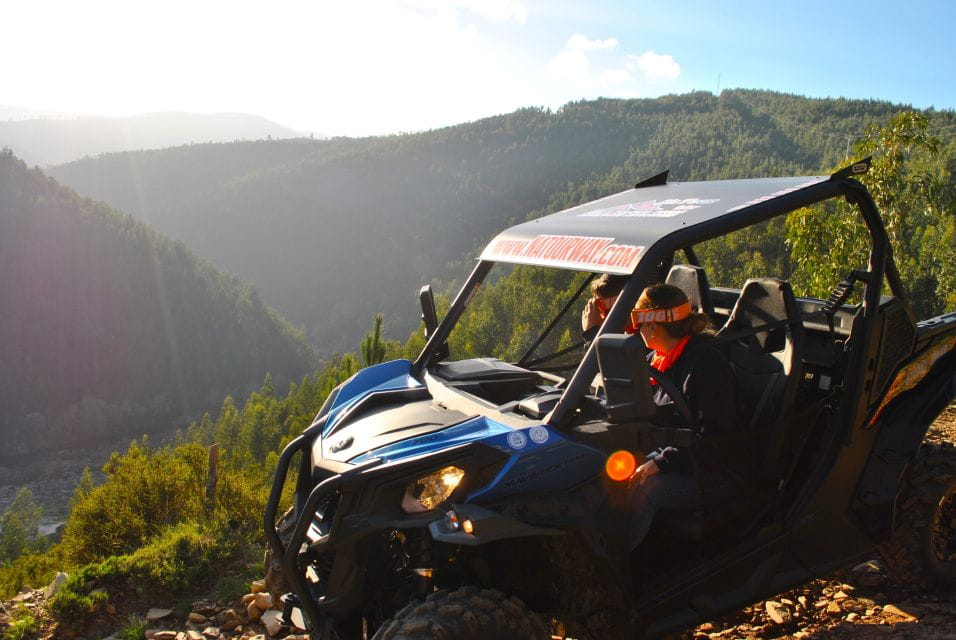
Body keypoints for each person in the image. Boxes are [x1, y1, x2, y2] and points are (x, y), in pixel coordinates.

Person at [624, 283, 741, 553]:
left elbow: (714, 437)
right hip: (670, 457)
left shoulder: (706, 364)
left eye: (638, 319)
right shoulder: (659, 358)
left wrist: (661, 462)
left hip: (709, 471)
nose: (636, 329)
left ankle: (615, 572)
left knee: (644, 491)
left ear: (653, 324)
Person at [581, 274, 634, 343]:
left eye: (608, 311)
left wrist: (592, 334)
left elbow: (604, 353)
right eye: (599, 306)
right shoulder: (626, 334)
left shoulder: (642, 341)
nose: (602, 317)